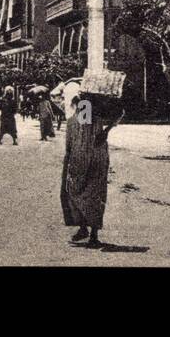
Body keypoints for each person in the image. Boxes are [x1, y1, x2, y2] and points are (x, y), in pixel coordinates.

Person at [61, 92, 123, 246]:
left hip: (88, 162)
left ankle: (89, 231)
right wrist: (106, 131)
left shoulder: (86, 122)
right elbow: (69, 147)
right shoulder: (89, 122)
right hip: (89, 162)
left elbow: (69, 147)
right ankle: (88, 230)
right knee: (89, 195)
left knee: (86, 195)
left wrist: (106, 131)